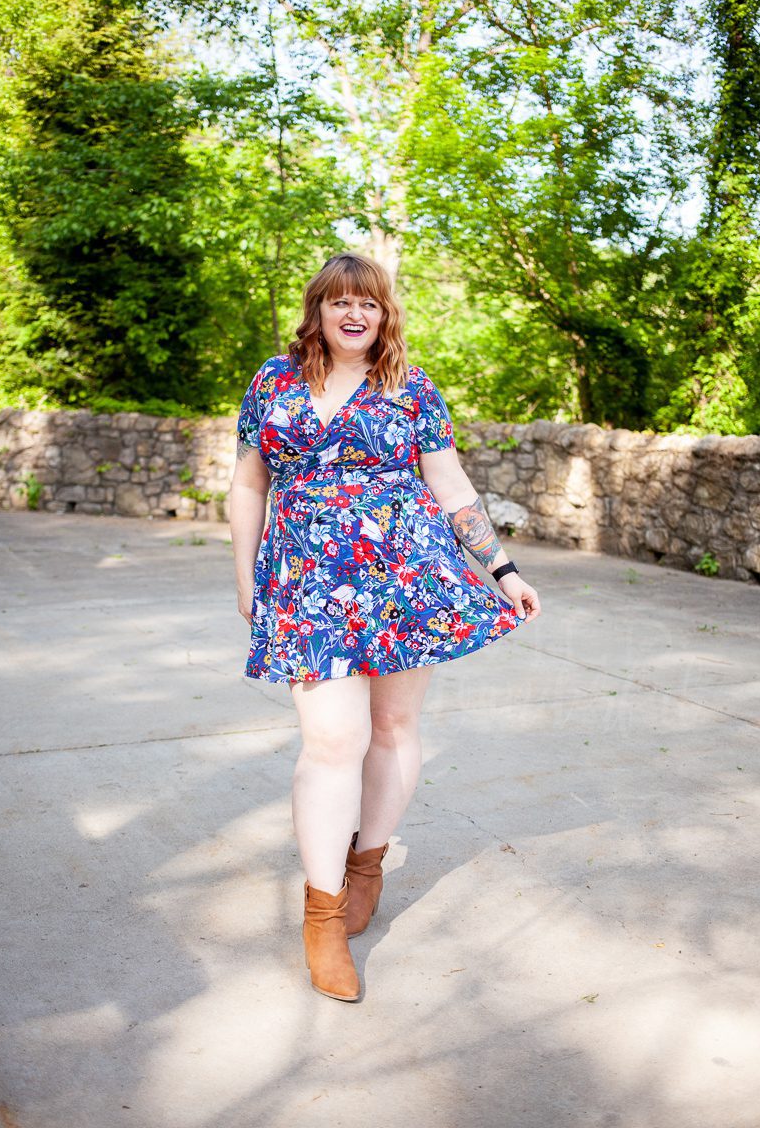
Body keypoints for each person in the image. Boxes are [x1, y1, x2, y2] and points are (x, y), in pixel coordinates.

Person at [229, 252, 541, 1003]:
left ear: (384, 313)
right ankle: (323, 915)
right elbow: (247, 481)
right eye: (340, 301)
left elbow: (451, 484)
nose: (355, 313)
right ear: (318, 310)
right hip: (307, 579)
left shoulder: (410, 386)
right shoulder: (273, 382)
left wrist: (503, 569)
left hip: (407, 577)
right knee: (333, 740)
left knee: (394, 726)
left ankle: (366, 864)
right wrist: (245, 578)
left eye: (368, 302)